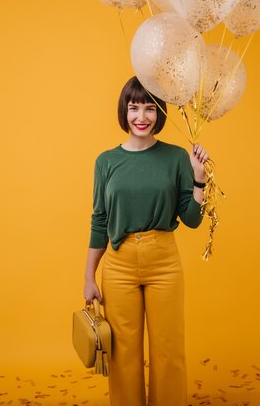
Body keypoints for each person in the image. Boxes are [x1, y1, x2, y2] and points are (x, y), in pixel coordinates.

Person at [83, 76, 209, 406]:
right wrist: (88, 277)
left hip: (163, 260)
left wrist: (198, 180)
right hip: (119, 263)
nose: (142, 116)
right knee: (123, 353)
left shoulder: (177, 157)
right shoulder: (106, 162)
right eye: (134, 106)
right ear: (124, 111)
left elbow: (192, 220)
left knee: (168, 350)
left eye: (150, 108)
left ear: (160, 113)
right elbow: (99, 221)